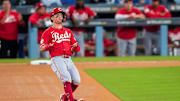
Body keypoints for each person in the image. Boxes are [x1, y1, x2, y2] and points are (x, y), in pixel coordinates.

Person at [40, 8, 83, 101]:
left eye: (61, 15)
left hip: (69, 59)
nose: (60, 17)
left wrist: (75, 47)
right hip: (57, 59)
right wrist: (50, 45)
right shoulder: (47, 32)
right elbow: (42, 47)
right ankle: (71, 99)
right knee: (67, 79)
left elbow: (74, 46)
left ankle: (64, 98)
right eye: (57, 15)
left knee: (77, 80)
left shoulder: (68, 31)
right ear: (52, 18)